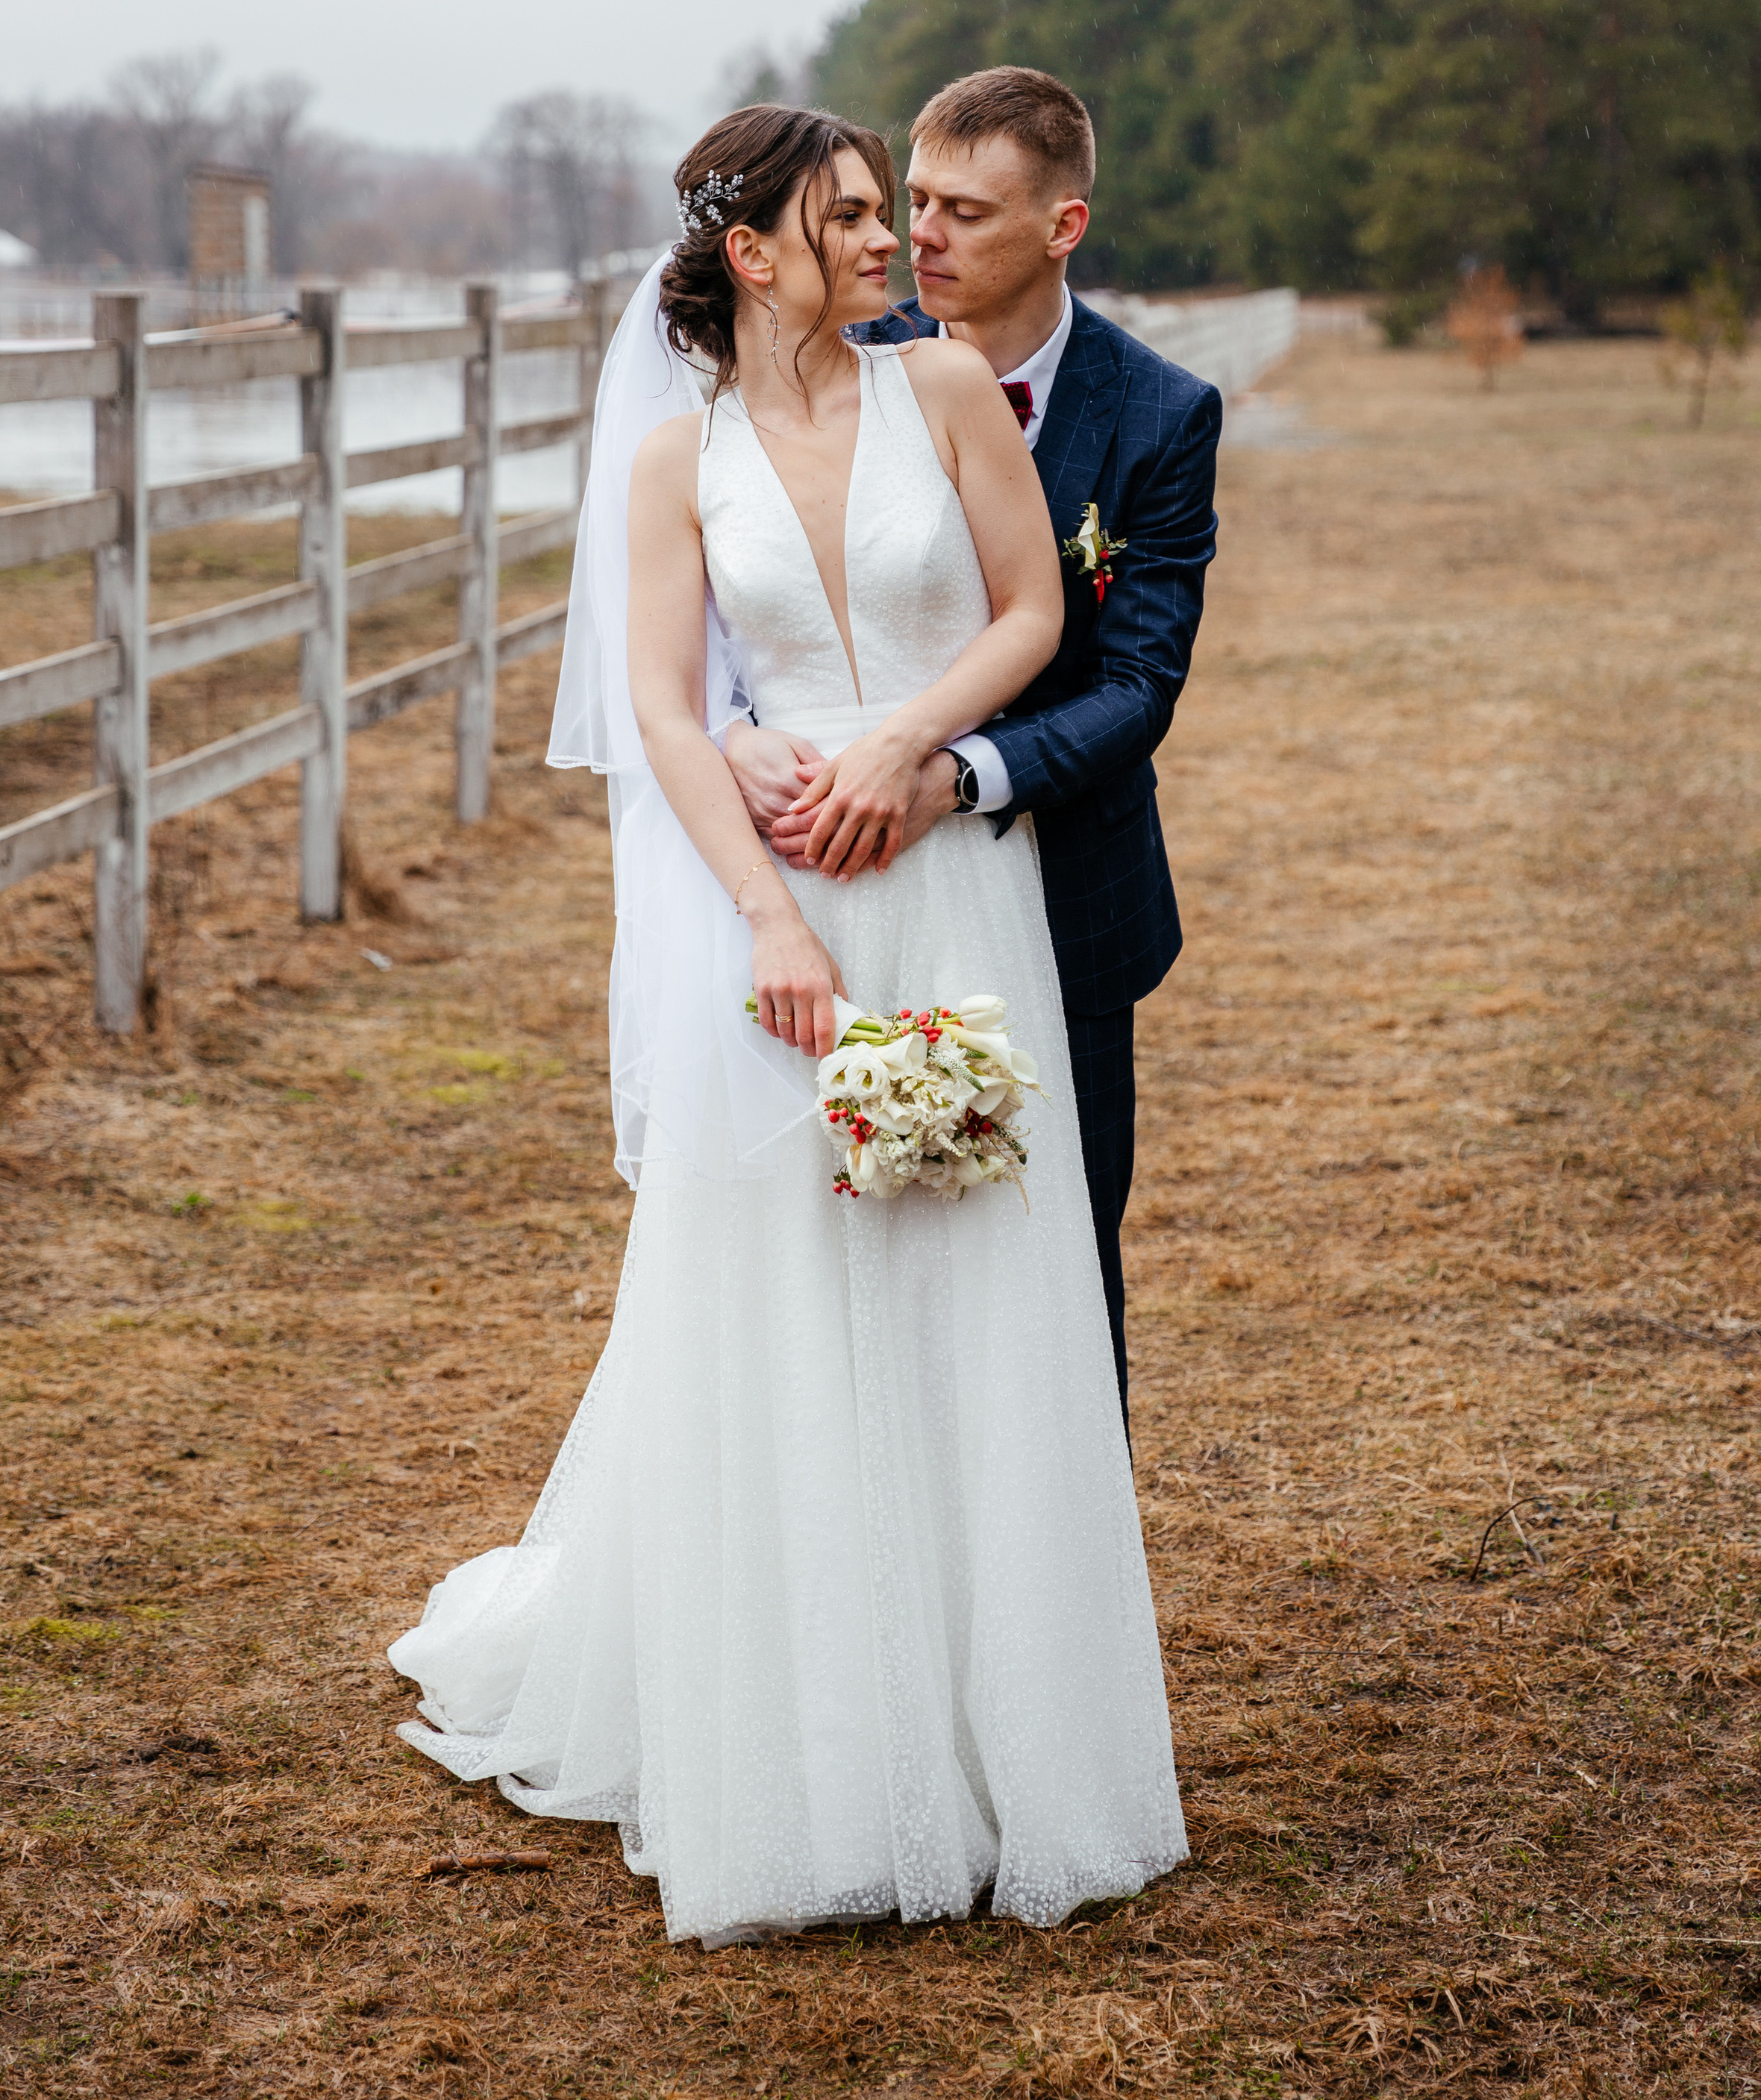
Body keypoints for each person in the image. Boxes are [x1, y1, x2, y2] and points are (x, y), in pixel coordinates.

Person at [389, 103, 1186, 1949]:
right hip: (794, 910)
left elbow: (1026, 621)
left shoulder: (951, 398)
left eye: (889, 213)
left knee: (975, 1267)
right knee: (797, 1289)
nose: (888, 242)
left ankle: (1017, 1757)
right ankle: (828, 1756)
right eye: (845, 216)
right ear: (751, 252)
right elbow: (668, 715)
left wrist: (909, 745)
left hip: (949, 879)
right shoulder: (674, 464)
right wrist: (764, 915)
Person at [728, 68, 1223, 1426]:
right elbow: (732, 589)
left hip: (1064, 894)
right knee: (841, 1243)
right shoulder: (841, 364)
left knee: (1056, 1252)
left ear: (1063, 226)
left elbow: (1137, 685)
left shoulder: (1160, 416)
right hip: (853, 887)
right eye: (914, 200)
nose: (919, 237)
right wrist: (730, 736)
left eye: (963, 210)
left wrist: (959, 773)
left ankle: (1062, 1599)